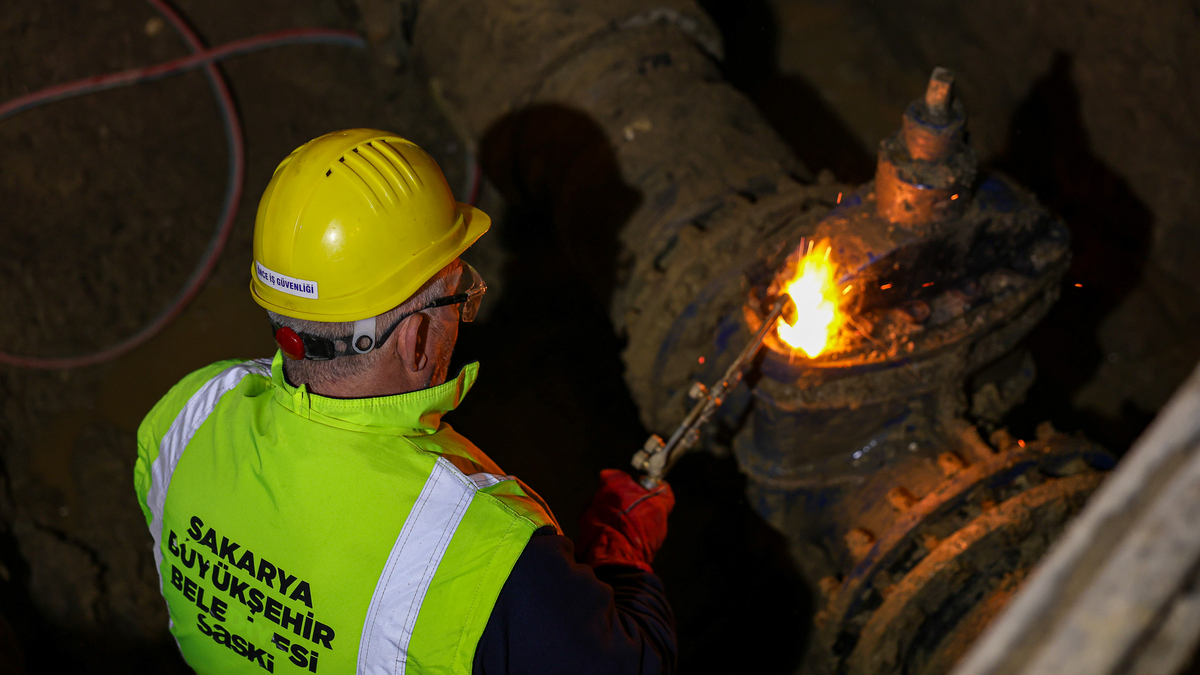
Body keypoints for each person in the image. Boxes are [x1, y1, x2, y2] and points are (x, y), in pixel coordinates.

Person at [134, 129, 676, 674]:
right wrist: (620, 552)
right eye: (461, 296)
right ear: (416, 337)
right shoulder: (489, 559)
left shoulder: (187, 413)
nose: (465, 316)